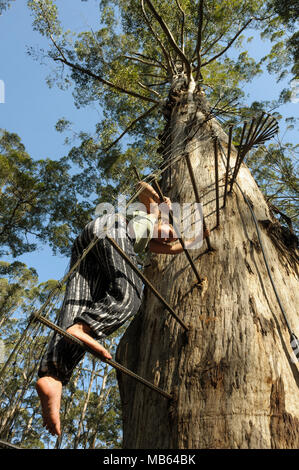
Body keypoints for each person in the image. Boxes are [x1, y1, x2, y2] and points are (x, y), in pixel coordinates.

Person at [36, 181, 208, 436]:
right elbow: (142, 186)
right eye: (170, 230)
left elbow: (176, 248)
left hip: (90, 242)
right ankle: (85, 328)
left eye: (171, 235)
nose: (169, 235)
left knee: (78, 304)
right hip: (111, 229)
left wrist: (198, 237)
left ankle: (53, 375)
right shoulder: (150, 214)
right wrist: (160, 203)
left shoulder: (145, 242)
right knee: (130, 295)